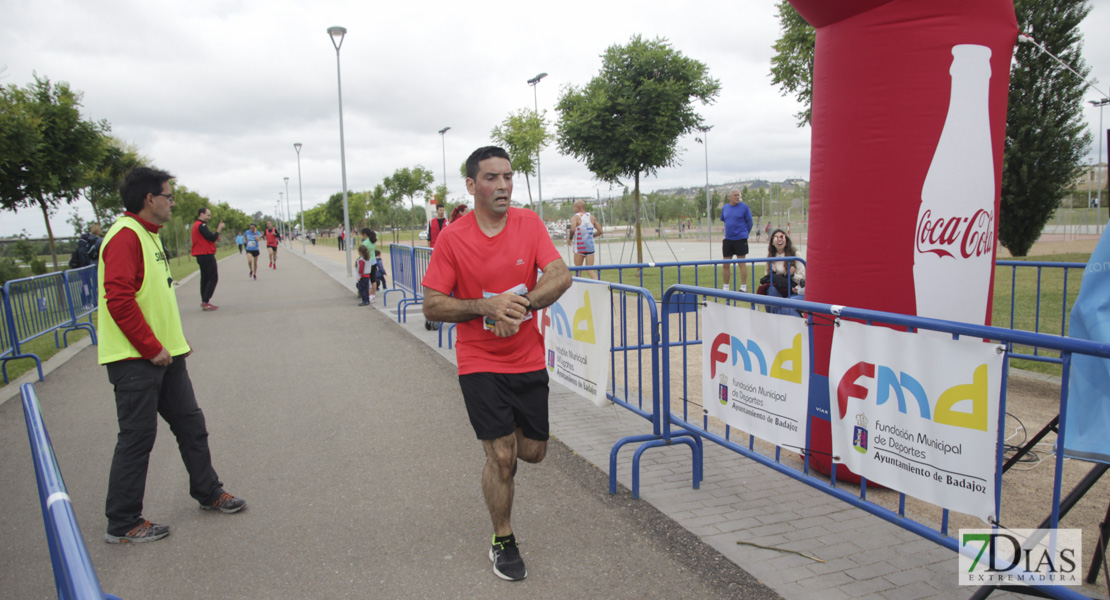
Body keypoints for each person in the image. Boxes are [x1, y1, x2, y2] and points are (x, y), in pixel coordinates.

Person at [422, 146, 571, 582]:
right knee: (503, 458)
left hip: (526, 358)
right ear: (471, 186)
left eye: (508, 176)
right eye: (492, 178)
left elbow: (561, 275)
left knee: (533, 453)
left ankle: (503, 459)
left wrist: (518, 306)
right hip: (479, 361)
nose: (503, 185)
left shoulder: (529, 222)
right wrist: (486, 308)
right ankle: (503, 538)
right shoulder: (452, 237)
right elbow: (432, 305)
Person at [97, 166, 245, 544]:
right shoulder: (125, 237)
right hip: (136, 360)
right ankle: (124, 522)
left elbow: (153, 297)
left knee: (191, 426)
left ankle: (209, 492)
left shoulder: (148, 235)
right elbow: (118, 299)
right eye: (168, 195)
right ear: (150, 199)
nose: (172, 202)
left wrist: (174, 344)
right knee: (137, 439)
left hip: (165, 356)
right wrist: (153, 347)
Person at [191, 207, 224, 311]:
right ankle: (205, 301)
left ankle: (205, 301)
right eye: (208, 215)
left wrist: (214, 238)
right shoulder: (201, 225)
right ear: (201, 214)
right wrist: (219, 229)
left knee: (205, 278)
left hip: (200, 255)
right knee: (213, 277)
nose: (209, 217)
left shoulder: (196, 226)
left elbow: (208, 238)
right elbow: (211, 237)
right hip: (206, 254)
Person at [757, 228, 806, 300]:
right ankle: (777, 309)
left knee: (786, 305)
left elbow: (802, 279)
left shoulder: (795, 254)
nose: (779, 239)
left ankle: (780, 309)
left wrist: (792, 275)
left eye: (782, 237)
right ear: (772, 242)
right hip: (777, 290)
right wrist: (773, 272)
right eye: (776, 238)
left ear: (786, 239)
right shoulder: (771, 257)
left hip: (792, 290)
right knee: (771, 290)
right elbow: (767, 279)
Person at [720, 190, 753, 292]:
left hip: (740, 239)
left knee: (741, 263)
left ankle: (743, 286)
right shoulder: (725, 208)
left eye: (738, 195)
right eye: (735, 195)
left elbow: (750, 222)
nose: (737, 197)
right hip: (728, 239)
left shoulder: (744, 207)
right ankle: (726, 287)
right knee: (725, 264)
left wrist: (745, 234)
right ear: (729, 196)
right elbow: (725, 220)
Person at [567, 199, 603, 280]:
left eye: (574, 207)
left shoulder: (576, 217)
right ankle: (597, 285)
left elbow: (572, 229)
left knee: (578, 270)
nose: (573, 209)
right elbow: (600, 231)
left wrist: (570, 239)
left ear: (578, 207)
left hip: (580, 247)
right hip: (590, 247)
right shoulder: (592, 217)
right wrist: (592, 235)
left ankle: (579, 290)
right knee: (590, 270)